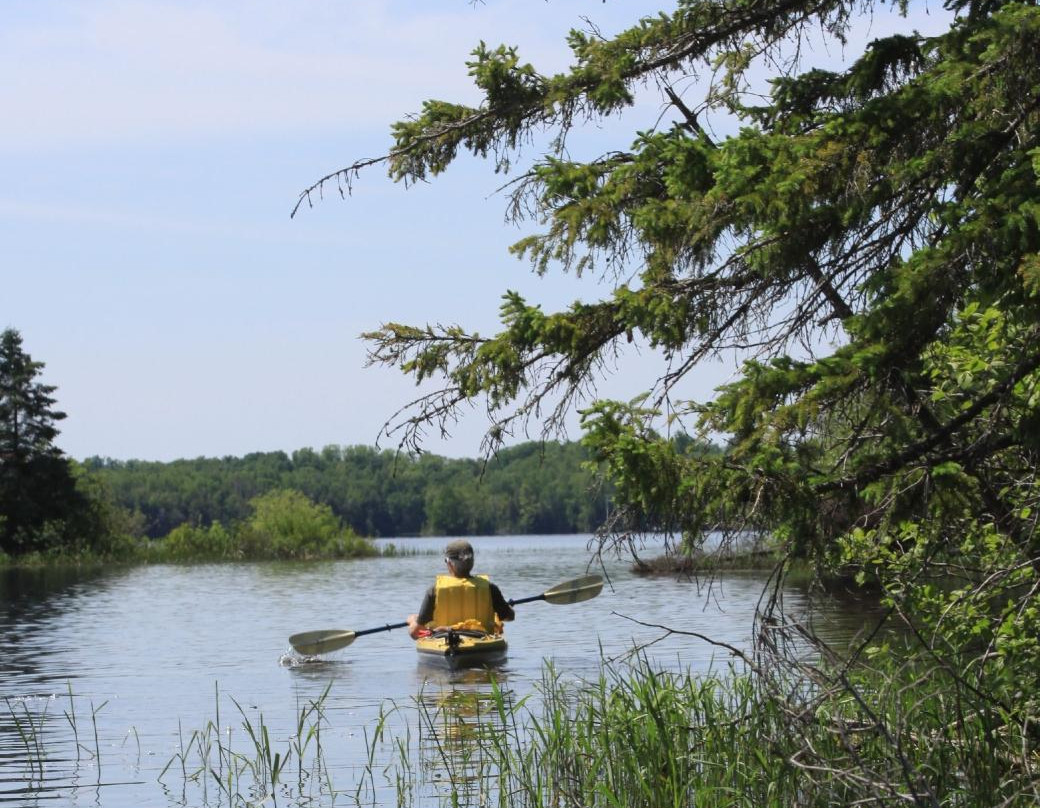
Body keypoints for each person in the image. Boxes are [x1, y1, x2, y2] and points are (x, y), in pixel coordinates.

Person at [406, 539, 515, 639]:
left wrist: (412, 620)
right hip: (482, 640)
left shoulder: (434, 590)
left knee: (414, 626)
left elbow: (416, 632)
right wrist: (508, 607)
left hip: (445, 640)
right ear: (472, 562)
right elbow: (509, 617)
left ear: (449, 563)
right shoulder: (490, 588)